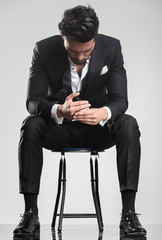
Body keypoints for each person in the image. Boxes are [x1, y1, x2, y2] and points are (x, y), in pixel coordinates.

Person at [13, 5, 147, 238]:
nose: (81, 58)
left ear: (95, 38)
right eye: (74, 53)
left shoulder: (111, 47)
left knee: (129, 123)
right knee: (30, 123)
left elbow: (120, 99)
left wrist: (103, 113)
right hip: (59, 130)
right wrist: (59, 111)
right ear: (63, 37)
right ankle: (30, 214)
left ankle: (129, 214)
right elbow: (33, 101)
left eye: (87, 52)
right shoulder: (44, 49)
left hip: (97, 130)